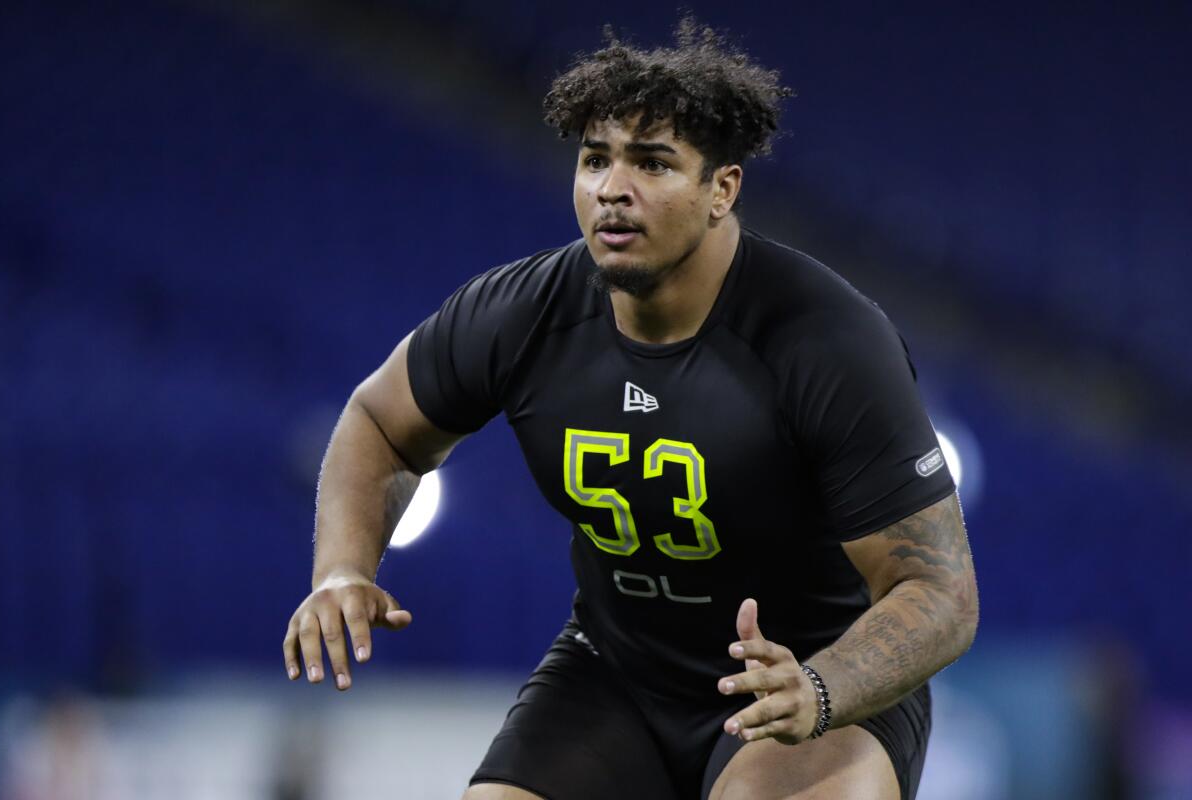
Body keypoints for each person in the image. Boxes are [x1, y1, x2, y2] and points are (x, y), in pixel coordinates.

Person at [283, 19, 978, 800]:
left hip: (806, 676)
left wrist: (820, 689)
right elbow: (377, 424)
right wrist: (342, 568)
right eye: (594, 160)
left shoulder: (826, 339)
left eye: (652, 163)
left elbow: (940, 594)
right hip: (617, 671)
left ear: (723, 189)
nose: (613, 188)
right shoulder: (522, 312)